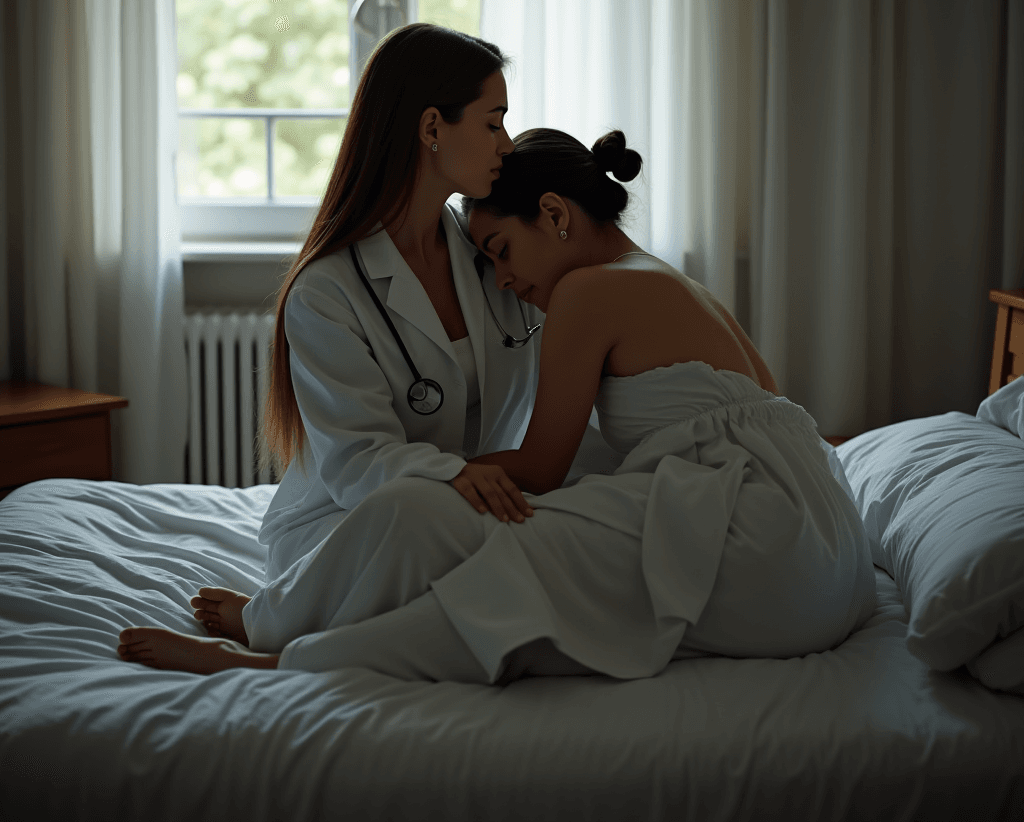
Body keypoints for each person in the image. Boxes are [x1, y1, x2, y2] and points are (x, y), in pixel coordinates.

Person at [118, 127, 877, 681]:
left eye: (500, 253)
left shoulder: (590, 290)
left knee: (482, 550)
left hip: (768, 550)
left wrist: (442, 474)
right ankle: (279, 630)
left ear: (554, 214)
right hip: (825, 558)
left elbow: (542, 465)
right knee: (462, 528)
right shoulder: (668, 279)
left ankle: (272, 646)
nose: (502, 281)